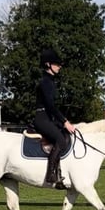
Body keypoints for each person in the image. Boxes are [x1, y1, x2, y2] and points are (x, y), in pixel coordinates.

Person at [33, 48, 76, 188]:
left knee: (64, 136)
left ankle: (60, 171)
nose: (59, 66)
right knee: (61, 140)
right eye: (56, 64)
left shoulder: (51, 82)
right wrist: (65, 122)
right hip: (42, 118)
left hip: (48, 118)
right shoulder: (45, 82)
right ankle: (51, 175)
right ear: (48, 65)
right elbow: (50, 106)